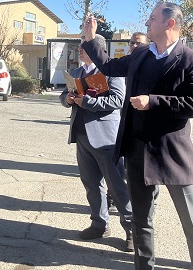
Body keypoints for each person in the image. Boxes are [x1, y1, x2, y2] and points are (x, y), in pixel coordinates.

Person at [82, 2, 193, 270]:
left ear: (169, 23)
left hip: (172, 153)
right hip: (137, 151)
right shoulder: (141, 54)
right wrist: (91, 37)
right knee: (141, 222)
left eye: (152, 18)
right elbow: (109, 66)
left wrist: (153, 101)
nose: (147, 23)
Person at [59, 34, 134, 251]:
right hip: (82, 136)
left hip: (106, 139)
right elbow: (63, 97)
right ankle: (99, 224)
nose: (80, 50)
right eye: (81, 46)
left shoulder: (111, 72)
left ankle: (132, 231)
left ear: (96, 49)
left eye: (84, 47)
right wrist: (68, 99)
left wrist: (88, 102)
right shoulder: (76, 73)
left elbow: (118, 100)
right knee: (92, 184)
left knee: (117, 186)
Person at [107, 32, 149, 212]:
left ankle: (145, 205)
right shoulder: (124, 64)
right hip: (121, 122)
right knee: (119, 165)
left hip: (142, 126)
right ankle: (113, 198)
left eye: (139, 43)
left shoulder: (149, 65)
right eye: (132, 43)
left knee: (141, 171)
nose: (134, 46)